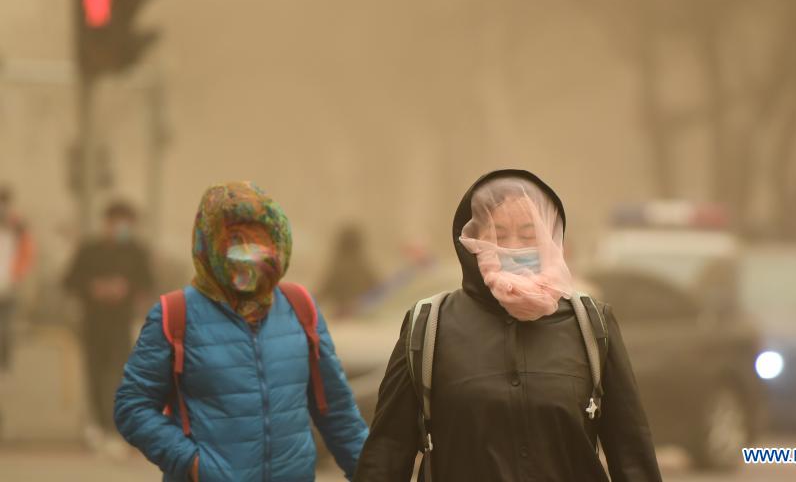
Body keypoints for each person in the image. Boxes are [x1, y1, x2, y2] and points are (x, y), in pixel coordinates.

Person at [354, 169, 662, 481]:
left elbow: (631, 452)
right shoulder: (431, 326)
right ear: (471, 241)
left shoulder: (591, 326)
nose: (513, 247)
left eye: (529, 235)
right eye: (498, 236)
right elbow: (388, 451)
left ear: (551, 239)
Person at [115, 181, 368, 481]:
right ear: (208, 242)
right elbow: (133, 406)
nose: (249, 253)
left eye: (261, 239)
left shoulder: (300, 308)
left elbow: (338, 415)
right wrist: (192, 462)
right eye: (235, 239)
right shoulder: (175, 315)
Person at [63, 199, 154, 452]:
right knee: (93, 372)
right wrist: (94, 288)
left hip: (121, 323)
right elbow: (70, 280)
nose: (121, 228)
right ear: (107, 223)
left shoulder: (137, 251)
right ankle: (97, 426)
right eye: (116, 222)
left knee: (118, 373)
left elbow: (146, 282)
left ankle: (117, 427)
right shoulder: (89, 250)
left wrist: (125, 288)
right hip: (93, 322)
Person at [0, 186, 35, 374]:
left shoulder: (17, 227)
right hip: (9, 281)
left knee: (5, 325)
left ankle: (5, 359)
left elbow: (27, 252)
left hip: (8, 283)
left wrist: (18, 275)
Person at [318, 223, 379, 318]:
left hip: (343, 317)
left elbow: (323, 293)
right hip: (363, 318)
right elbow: (380, 292)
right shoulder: (364, 269)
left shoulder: (337, 268)